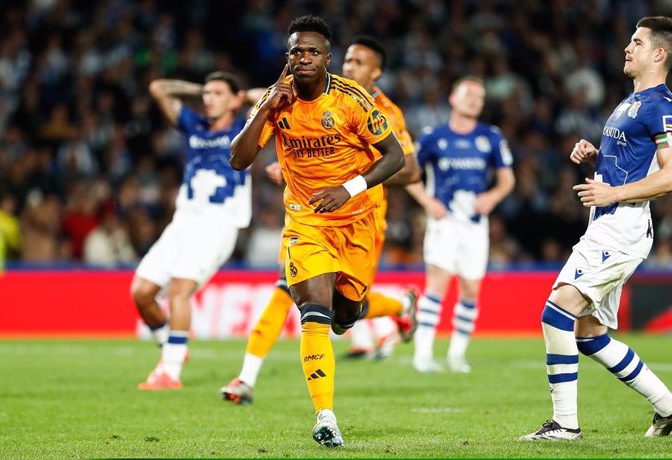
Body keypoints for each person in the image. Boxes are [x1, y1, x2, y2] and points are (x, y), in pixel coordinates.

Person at [229, 15, 405, 448]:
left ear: (328, 58)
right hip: (306, 221)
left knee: (347, 315)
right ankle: (325, 415)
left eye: (312, 52)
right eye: (296, 52)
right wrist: (267, 108)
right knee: (314, 309)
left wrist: (348, 188)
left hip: (357, 219)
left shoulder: (352, 99)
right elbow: (238, 158)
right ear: (288, 58)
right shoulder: (278, 100)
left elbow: (396, 157)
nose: (303, 59)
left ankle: (397, 306)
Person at [520, 16, 672, 441]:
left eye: (637, 42)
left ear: (658, 54)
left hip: (621, 226)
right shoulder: (631, 102)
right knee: (589, 334)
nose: (628, 47)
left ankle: (565, 425)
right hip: (607, 223)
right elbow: (629, 163)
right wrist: (596, 157)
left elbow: (670, 175)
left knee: (556, 311)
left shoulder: (662, 105)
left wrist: (612, 195)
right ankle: (668, 407)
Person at [131, 71, 251, 391]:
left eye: (218, 93)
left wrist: (245, 97)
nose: (208, 99)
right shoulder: (195, 126)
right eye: (206, 93)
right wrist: (199, 87)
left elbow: (281, 95)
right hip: (183, 222)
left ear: (236, 99)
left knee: (179, 290)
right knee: (141, 292)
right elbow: (157, 87)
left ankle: (169, 372)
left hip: (219, 223)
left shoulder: (246, 127)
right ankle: (171, 350)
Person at [406, 76, 515, 373]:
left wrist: (491, 197)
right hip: (445, 223)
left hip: (475, 224)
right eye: (468, 94)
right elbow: (407, 174)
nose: (474, 100)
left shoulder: (491, 137)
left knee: (470, 289)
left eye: (479, 97)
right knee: (437, 284)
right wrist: (427, 202)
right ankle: (423, 354)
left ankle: (456, 354)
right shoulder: (432, 137)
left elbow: (507, 180)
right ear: (452, 99)